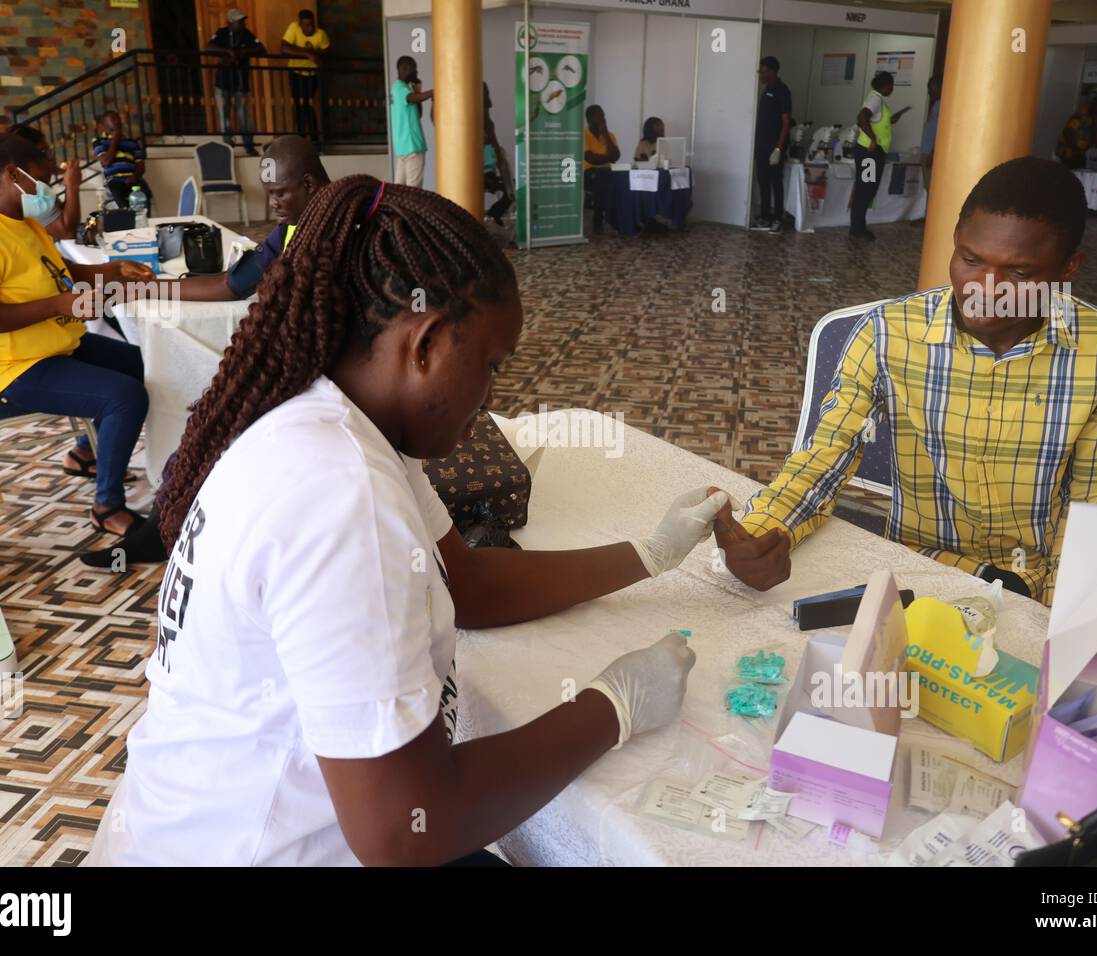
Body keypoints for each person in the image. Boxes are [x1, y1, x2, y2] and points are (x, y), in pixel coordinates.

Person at [87, 175, 730, 866]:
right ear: (423, 344)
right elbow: (403, 829)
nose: (491, 396)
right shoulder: (340, 492)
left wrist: (653, 551)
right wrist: (613, 707)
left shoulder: (339, 421)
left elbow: (472, 584)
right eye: (489, 366)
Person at [714, 158, 1097, 607]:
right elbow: (822, 461)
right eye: (970, 259)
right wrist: (757, 536)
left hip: (1032, 581)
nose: (985, 288)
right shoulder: (889, 332)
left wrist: (1057, 613)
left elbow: (1094, 503)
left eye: (1019, 272)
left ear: (1069, 266)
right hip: (917, 569)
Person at [75, 136, 333, 570]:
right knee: (207, 418)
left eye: (280, 193)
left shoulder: (342, 225)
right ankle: (164, 527)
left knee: (221, 416)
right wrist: (150, 286)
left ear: (308, 183)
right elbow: (232, 284)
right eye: (268, 194)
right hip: (300, 359)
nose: (273, 204)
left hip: (330, 368)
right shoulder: (293, 224)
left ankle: (166, 532)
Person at [0, 135, 152, 535]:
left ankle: (86, 452)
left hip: (58, 345)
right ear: (12, 175)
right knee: (125, 396)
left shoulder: (24, 223)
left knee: (146, 365)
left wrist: (113, 270)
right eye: (43, 177)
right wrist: (57, 306)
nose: (50, 190)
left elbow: (61, 272)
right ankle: (107, 506)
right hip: (16, 367)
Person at [0, 121, 80, 241]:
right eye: (43, 152)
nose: (50, 156)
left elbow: (57, 212)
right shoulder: (24, 199)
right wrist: (72, 187)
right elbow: (67, 232)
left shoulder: (15, 193)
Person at [851, 71, 910, 241]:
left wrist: (891, 120)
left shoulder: (877, 99)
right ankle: (857, 230)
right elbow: (861, 118)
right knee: (865, 190)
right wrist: (873, 139)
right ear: (886, 86)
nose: (892, 89)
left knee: (867, 190)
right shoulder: (875, 99)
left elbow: (873, 121)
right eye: (891, 86)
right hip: (869, 153)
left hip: (872, 153)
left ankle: (858, 228)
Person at [207, 8, 265, 156]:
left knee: (244, 115)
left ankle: (249, 146)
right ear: (230, 22)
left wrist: (244, 52)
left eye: (243, 21)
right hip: (223, 81)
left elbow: (262, 49)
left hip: (241, 83)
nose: (242, 24)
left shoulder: (246, 35)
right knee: (224, 116)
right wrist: (228, 52)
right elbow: (209, 47)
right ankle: (227, 146)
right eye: (239, 21)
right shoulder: (222, 33)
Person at [752, 57, 792, 233]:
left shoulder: (782, 91)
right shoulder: (766, 90)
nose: (760, 74)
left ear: (772, 72)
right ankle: (765, 217)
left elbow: (786, 122)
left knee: (776, 182)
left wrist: (778, 148)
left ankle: (778, 218)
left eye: (763, 71)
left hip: (774, 147)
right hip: (761, 146)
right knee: (763, 181)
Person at [280, 9, 330, 145]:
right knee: (300, 104)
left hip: (312, 74)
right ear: (300, 24)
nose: (310, 28)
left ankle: (313, 139)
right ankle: (303, 137)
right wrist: (308, 54)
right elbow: (284, 48)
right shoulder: (293, 28)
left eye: (311, 24)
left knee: (307, 104)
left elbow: (326, 51)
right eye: (306, 25)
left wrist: (316, 54)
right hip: (296, 73)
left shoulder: (321, 34)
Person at [91, 110, 152, 211]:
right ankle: (127, 216)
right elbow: (106, 162)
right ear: (104, 124)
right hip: (114, 179)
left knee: (145, 191)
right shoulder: (99, 142)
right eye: (113, 119)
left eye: (118, 119)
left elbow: (141, 166)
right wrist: (116, 138)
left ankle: (146, 219)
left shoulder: (132, 143)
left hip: (132, 178)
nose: (117, 122)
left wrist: (135, 176)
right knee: (116, 192)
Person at [390, 56, 432, 188]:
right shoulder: (400, 89)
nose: (417, 73)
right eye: (414, 69)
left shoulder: (400, 89)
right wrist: (433, 92)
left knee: (399, 190)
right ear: (404, 69)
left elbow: (418, 113)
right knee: (413, 191)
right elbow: (414, 98)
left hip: (403, 149)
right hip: (412, 146)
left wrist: (417, 91)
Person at [583, 104, 620, 233]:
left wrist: (606, 135)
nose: (603, 119)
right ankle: (598, 216)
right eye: (599, 116)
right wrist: (608, 157)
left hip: (607, 171)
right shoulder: (584, 134)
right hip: (588, 172)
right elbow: (590, 158)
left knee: (621, 178)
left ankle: (620, 216)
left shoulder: (610, 135)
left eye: (603, 115)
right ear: (589, 119)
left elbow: (616, 156)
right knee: (602, 177)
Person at [482, 82, 514, 226]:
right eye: (485, 94)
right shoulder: (473, 122)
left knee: (511, 190)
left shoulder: (487, 121)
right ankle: (493, 215)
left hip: (490, 171)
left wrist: (501, 162)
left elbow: (495, 146)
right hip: (480, 173)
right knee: (508, 190)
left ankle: (494, 213)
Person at [1056, 97, 1094, 169]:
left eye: (1074, 124)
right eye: (1071, 123)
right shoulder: (1067, 131)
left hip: (1076, 162)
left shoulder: (1085, 132)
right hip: (1065, 162)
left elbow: (1083, 145)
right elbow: (1059, 151)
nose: (1071, 126)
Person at [920, 75, 942, 193]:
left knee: (931, 187)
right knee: (927, 186)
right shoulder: (936, 104)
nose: (929, 92)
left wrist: (933, 153)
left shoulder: (942, 104)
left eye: (930, 88)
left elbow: (940, 132)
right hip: (927, 151)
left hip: (931, 153)